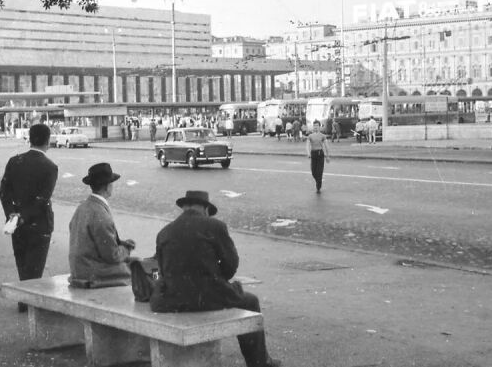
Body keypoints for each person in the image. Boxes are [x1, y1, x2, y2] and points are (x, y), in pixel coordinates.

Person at [152, 190, 281, 367]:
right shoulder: (215, 226)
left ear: (184, 208)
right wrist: (215, 276)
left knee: (241, 298)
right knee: (251, 302)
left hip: (175, 301)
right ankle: (258, 362)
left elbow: (163, 270)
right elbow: (231, 264)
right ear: (205, 209)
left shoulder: (164, 232)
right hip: (207, 297)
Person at [0, 124, 58, 312]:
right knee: (35, 265)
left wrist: (12, 214)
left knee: (22, 262)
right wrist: (24, 216)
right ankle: (28, 302)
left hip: (15, 222)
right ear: (47, 140)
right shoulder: (50, 166)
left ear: (30, 139)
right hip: (39, 223)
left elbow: (4, 192)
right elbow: (42, 199)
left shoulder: (14, 161)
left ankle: (24, 299)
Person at [68, 163, 136, 288]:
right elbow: (112, 256)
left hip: (79, 268)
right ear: (108, 187)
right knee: (140, 269)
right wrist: (127, 249)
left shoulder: (82, 207)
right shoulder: (101, 214)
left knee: (134, 263)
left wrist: (121, 244)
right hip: (92, 273)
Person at [306, 120, 330, 193]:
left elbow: (326, 146)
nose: (315, 127)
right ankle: (318, 180)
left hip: (320, 154)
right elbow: (307, 145)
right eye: (314, 126)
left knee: (319, 171)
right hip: (313, 154)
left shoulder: (323, 136)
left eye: (317, 126)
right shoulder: (310, 136)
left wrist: (327, 156)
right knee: (313, 172)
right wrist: (308, 153)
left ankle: (318, 185)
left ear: (319, 127)